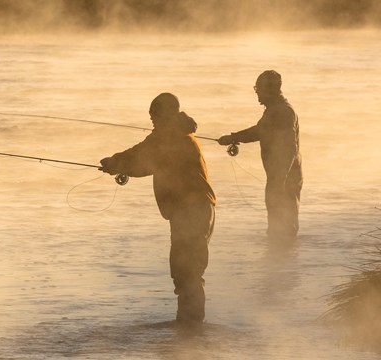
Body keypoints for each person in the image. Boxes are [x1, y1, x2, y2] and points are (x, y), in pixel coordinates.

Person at [99, 93, 216, 326]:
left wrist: (114, 163)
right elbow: (146, 160)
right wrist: (119, 164)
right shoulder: (178, 134)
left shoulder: (170, 136)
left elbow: (142, 156)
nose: (151, 118)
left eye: (154, 113)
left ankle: (190, 330)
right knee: (186, 271)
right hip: (195, 209)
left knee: (188, 271)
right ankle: (190, 328)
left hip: (191, 211)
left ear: (166, 114)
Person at [218, 70, 302, 239]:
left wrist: (281, 178)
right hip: (279, 175)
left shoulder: (283, 111)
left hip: (285, 176)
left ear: (270, 90)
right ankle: (280, 258)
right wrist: (234, 138)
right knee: (277, 225)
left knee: (284, 225)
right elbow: (261, 131)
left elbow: (290, 147)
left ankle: (282, 257)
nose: (256, 92)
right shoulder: (275, 109)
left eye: (258, 88)